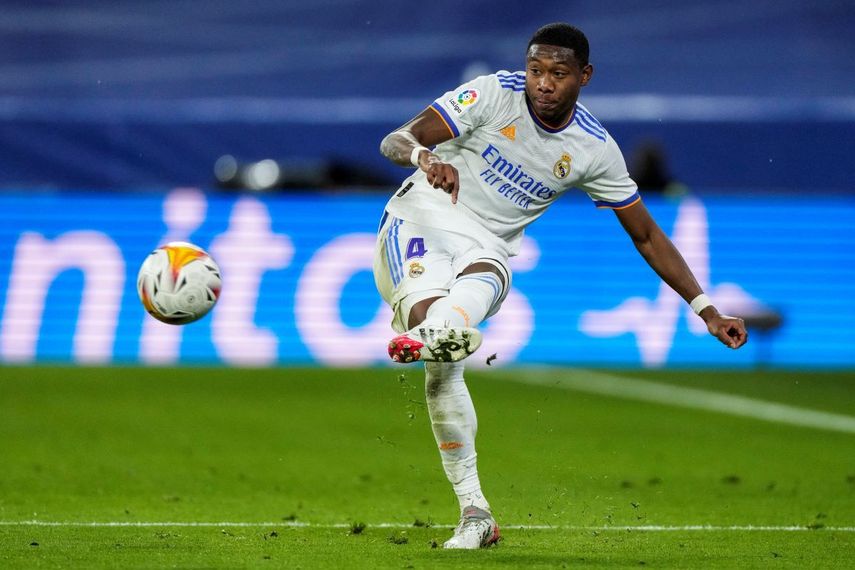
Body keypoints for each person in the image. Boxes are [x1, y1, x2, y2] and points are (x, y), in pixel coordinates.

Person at [373, 22, 748, 550]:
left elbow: (645, 234)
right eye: (536, 70)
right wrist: (426, 157)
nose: (543, 83)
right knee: (442, 350)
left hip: (487, 247)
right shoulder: (492, 94)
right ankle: (441, 333)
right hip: (419, 223)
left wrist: (706, 308)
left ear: (584, 77)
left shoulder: (593, 149)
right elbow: (396, 139)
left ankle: (475, 510)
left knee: (472, 303)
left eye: (558, 73)